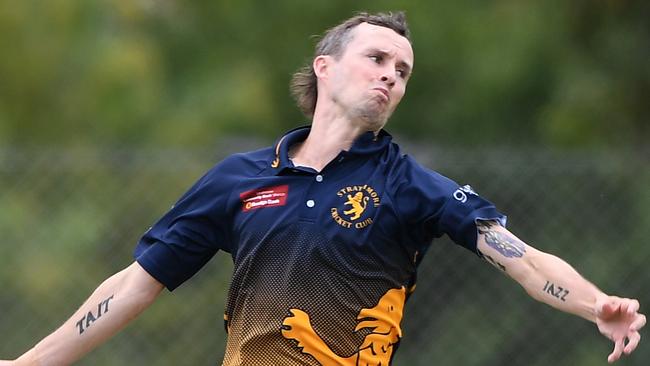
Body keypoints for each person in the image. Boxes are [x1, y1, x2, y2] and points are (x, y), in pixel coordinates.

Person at [1, 11, 645, 366]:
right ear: (325, 66)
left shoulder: (411, 186)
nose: (392, 76)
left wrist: (596, 306)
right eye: (377, 59)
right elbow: (134, 284)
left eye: (404, 70)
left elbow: (524, 260)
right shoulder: (238, 180)